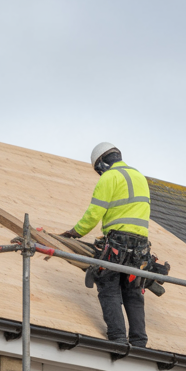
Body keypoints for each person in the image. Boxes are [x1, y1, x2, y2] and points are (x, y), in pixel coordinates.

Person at [61, 142, 151, 347]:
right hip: (141, 246)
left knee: (108, 285)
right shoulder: (139, 177)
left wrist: (75, 232)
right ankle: (139, 340)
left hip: (118, 241)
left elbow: (95, 212)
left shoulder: (109, 178)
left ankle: (118, 337)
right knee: (133, 290)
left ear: (101, 165)